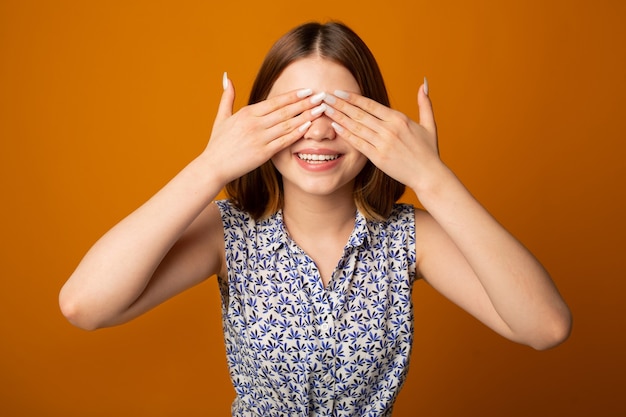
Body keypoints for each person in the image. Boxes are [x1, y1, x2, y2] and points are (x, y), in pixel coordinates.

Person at [59, 21, 571, 416]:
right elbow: (85, 305)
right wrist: (211, 165)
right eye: (294, 112)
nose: (319, 132)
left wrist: (432, 178)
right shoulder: (230, 232)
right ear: (259, 123)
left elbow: (546, 327)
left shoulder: (407, 238)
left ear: (378, 121)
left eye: (341, 111)